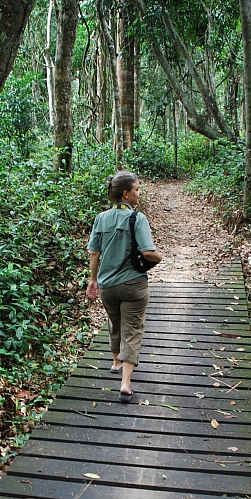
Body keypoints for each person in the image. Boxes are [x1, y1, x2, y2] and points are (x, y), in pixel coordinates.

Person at [86, 171, 162, 402]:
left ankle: (116, 361)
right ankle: (126, 384)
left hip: (108, 285)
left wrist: (93, 279)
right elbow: (148, 252)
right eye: (137, 189)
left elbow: (94, 252)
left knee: (115, 321)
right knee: (133, 329)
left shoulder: (101, 218)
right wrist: (159, 258)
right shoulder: (137, 219)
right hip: (133, 285)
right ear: (126, 194)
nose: (139, 194)